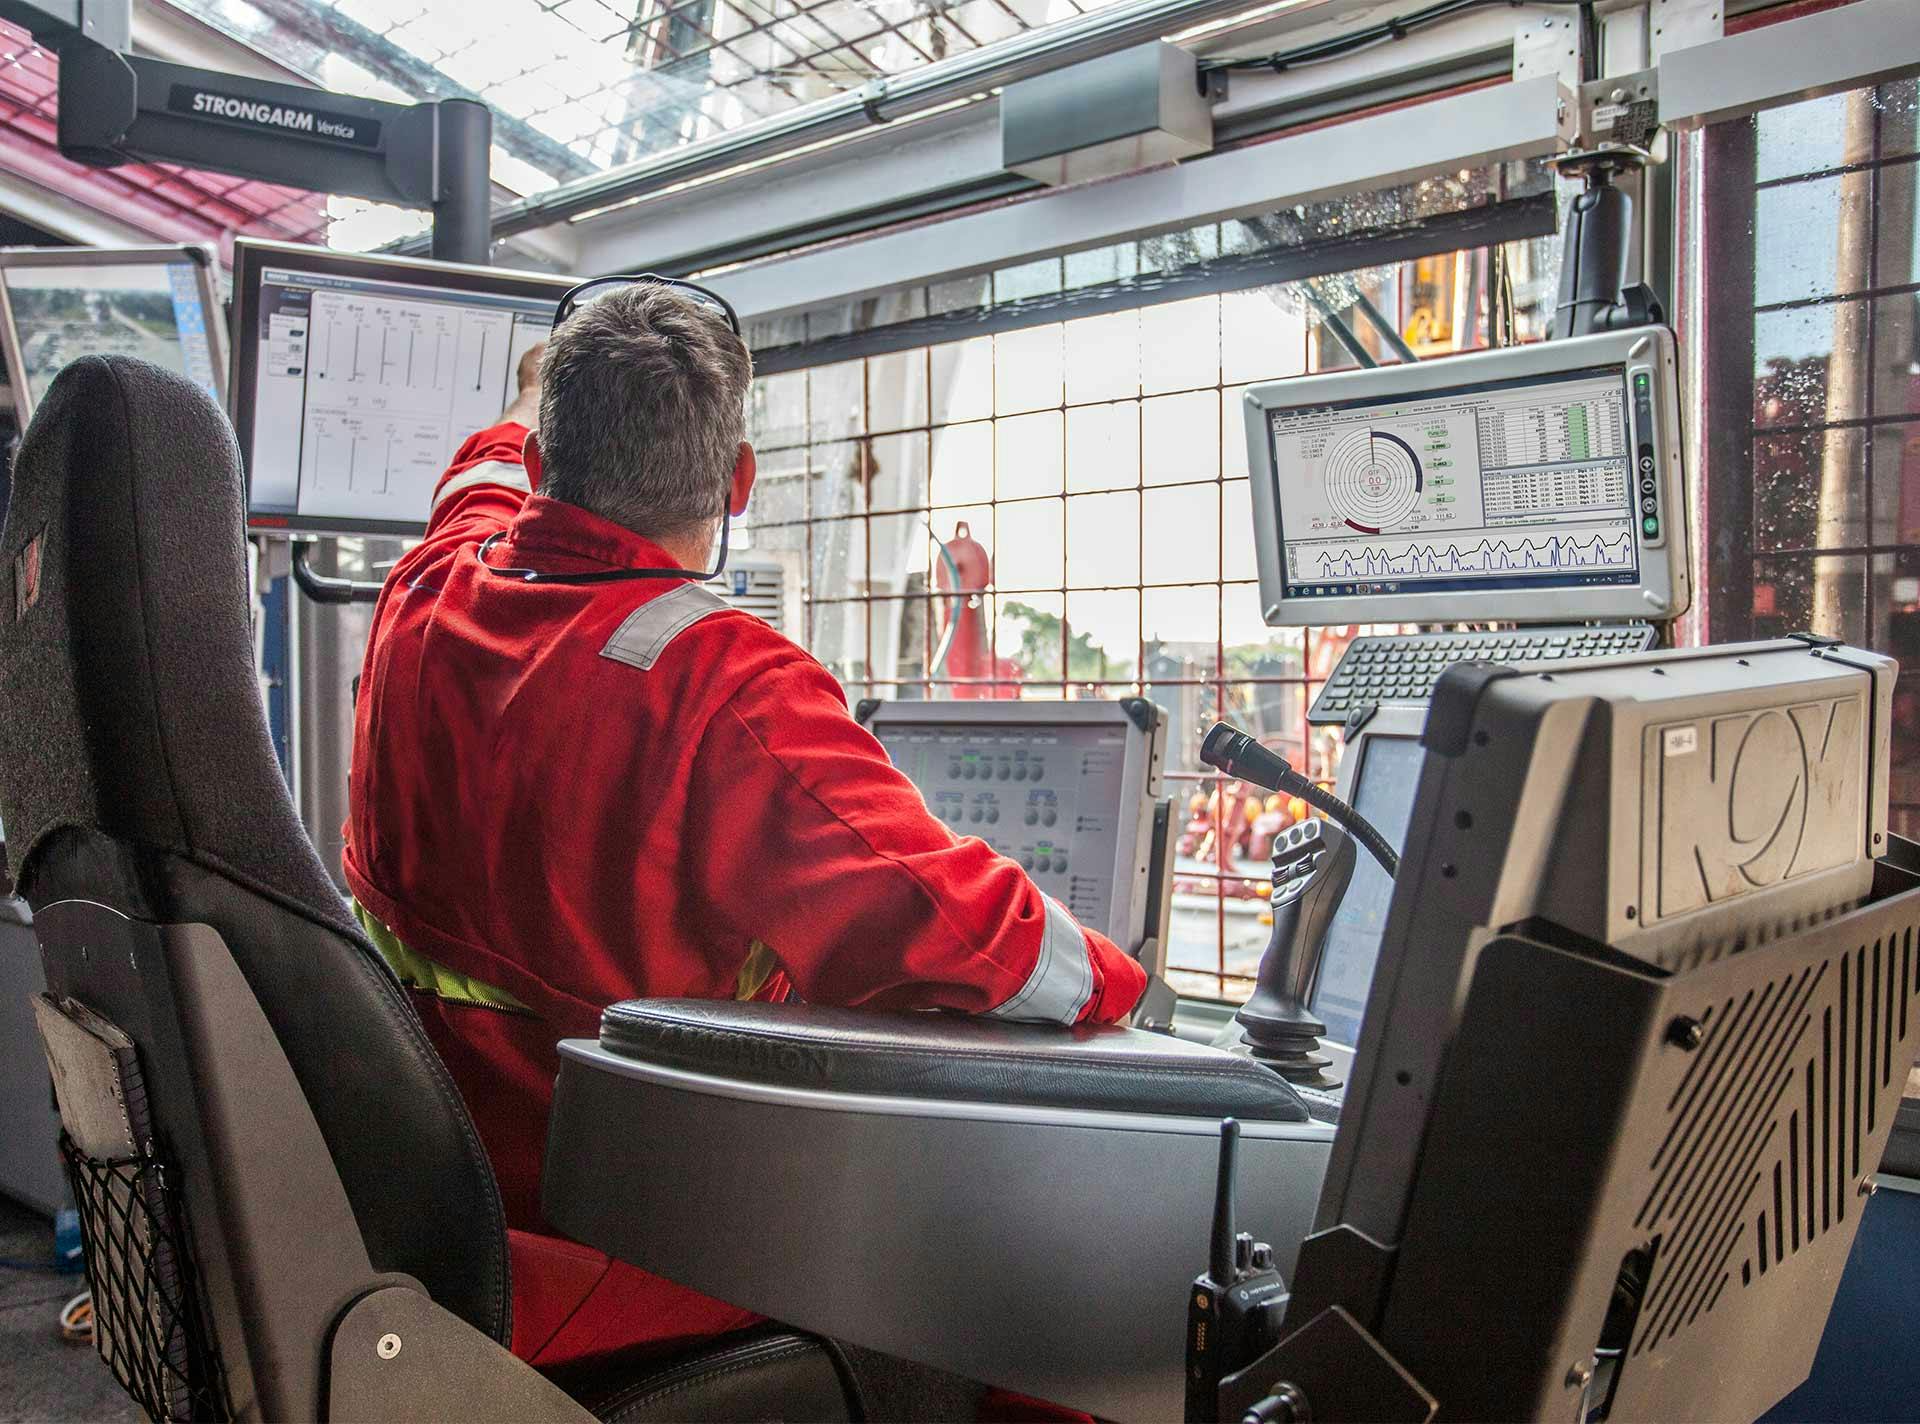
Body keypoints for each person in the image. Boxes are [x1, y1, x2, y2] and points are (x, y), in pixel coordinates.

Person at [344, 283, 1147, 1369]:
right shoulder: (723, 685)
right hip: (631, 1251)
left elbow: (475, 479)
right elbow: (974, 938)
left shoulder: (428, 592)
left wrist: (545, 398)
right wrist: (1128, 989)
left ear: (539, 467)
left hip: (433, 1211)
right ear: (739, 483)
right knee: (1007, 1283)